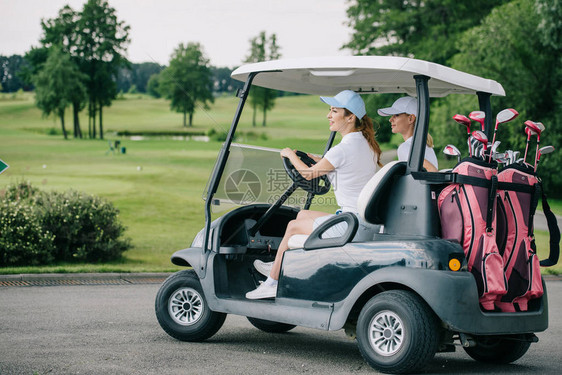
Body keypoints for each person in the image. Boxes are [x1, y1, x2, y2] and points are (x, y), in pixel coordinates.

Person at [246, 90, 382, 299]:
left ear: (350, 117)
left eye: (334, 111)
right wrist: (318, 158)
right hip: (361, 221)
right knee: (301, 216)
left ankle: (273, 283)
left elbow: (308, 174)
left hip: (351, 225)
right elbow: (343, 165)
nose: (329, 115)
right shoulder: (365, 144)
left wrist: (290, 155)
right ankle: (278, 265)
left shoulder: (343, 149)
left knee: (292, 227)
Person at [377, 96, 438, 172]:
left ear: (411, 119)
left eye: (396, 115)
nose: (390, 119)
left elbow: (432, 171)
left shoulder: (406, 148)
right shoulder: (425, 145)